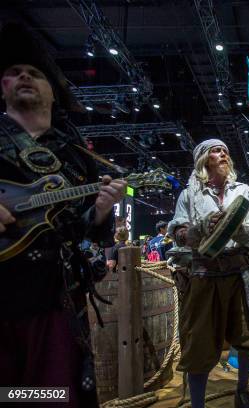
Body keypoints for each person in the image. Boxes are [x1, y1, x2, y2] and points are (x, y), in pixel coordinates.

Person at [0, 23, 126, 407]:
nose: (25, 76)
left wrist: (102, 212)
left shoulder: (79, 157)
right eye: (15, 72)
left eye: (36, 73)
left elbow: (86, 233)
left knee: (51, 394)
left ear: (53, 92)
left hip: (54, 300)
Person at [167, 139, 249, 408]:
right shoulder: (189, 195)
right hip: (204, 275)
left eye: (225, 150)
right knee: (199, 344)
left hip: (240, 273)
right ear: (203, 159)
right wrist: (200, 228)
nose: (223, 153)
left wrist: (239, 229)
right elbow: (178, 233)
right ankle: (198, 404)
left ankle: (242, 391)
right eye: (216, 150)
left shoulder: (243, 191)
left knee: (247, 337)